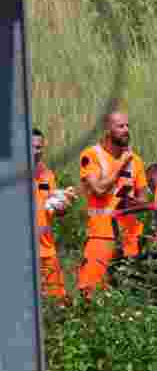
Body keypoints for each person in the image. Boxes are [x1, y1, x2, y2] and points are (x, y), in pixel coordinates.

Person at [78, 112, 149, 296]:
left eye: (127, 126)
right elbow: (98, 190)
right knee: (90, 294)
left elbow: (143, 200)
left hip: (129, 239)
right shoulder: (91, 155)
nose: (126, 130)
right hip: (101, 236)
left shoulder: (136, 161)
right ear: (107, 130)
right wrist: (121, 165)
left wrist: (133, 202)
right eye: (120, 126)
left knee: (128, 296)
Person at [33, 128, 75, 300]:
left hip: (47, 248)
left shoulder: (47, 175)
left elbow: (55, 208)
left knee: (57, 299)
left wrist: (62, 204)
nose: (37, 151)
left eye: (39, 147)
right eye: (32, 147)